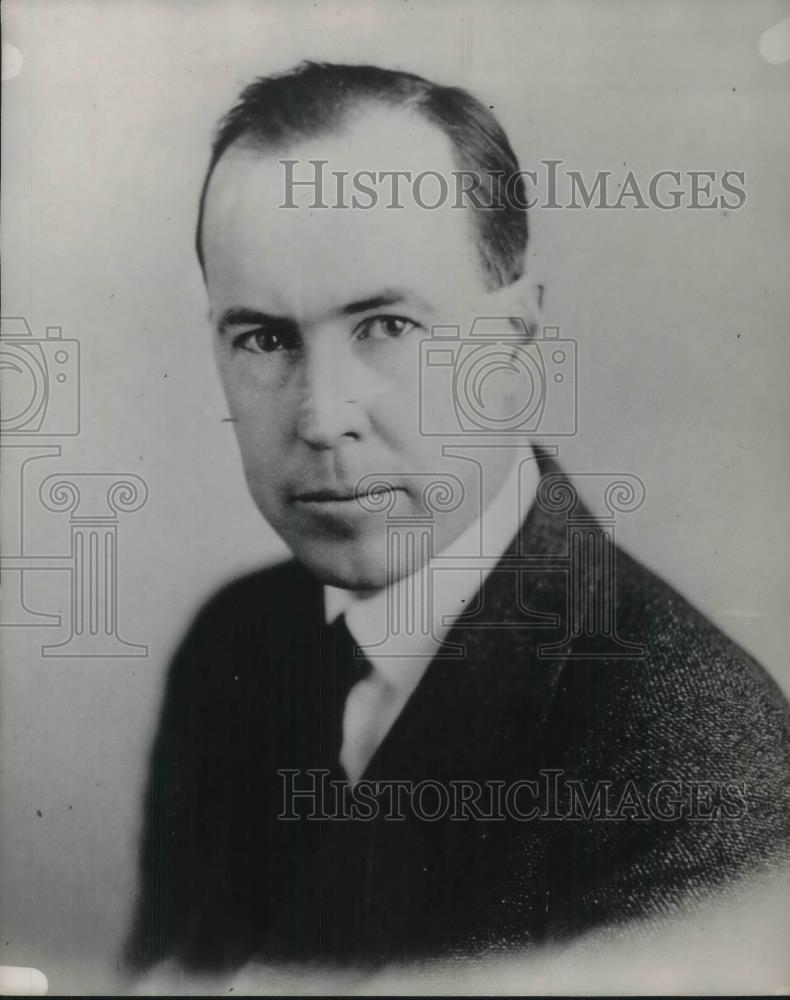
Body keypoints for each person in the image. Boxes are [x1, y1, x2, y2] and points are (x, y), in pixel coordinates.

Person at [126, 62, 790, 973]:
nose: (322, 417)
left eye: (387, 326)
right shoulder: (232, 647)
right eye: (265, 338)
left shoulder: (697, 756)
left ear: (514, 345)